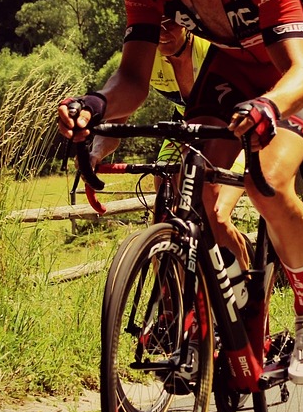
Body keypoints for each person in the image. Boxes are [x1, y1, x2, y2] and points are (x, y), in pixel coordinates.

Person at [57, 0, 303, 384]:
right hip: (235, 61)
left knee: (268, 179)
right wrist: (95, 109)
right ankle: (236, 305)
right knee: (201, 198)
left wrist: (270, 107)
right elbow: (132, 81)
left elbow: (300, 73)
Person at [88, 19, 246, 253]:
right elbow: (116, 121)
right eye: (156, 24)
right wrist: (95, 153)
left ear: (186, 23)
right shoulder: (148, 57)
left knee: (216, 216)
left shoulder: (209, 45)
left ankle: (247, 288)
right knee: (164, 211)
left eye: (170, 23)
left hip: (231, 127)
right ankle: (170, 285)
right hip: (183, 125)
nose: (161, 32)